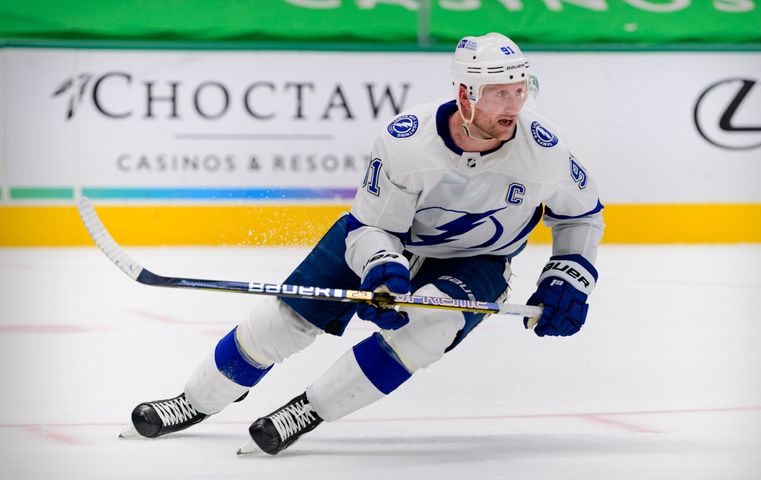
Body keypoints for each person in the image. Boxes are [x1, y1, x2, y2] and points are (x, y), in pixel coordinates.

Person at [121, 32, 605, 455]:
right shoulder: (407, 143)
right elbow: (372, 228)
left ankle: (307, 410)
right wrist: (381, 267)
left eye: (520, 91)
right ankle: (196, 400)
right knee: (281, 322)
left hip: (478, 260)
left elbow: (582, 217)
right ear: (465, 94)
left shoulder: (546, 151)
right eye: (500, 93)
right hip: (383, 239)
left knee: (427, 330)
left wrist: (568, 279)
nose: (514, 106)